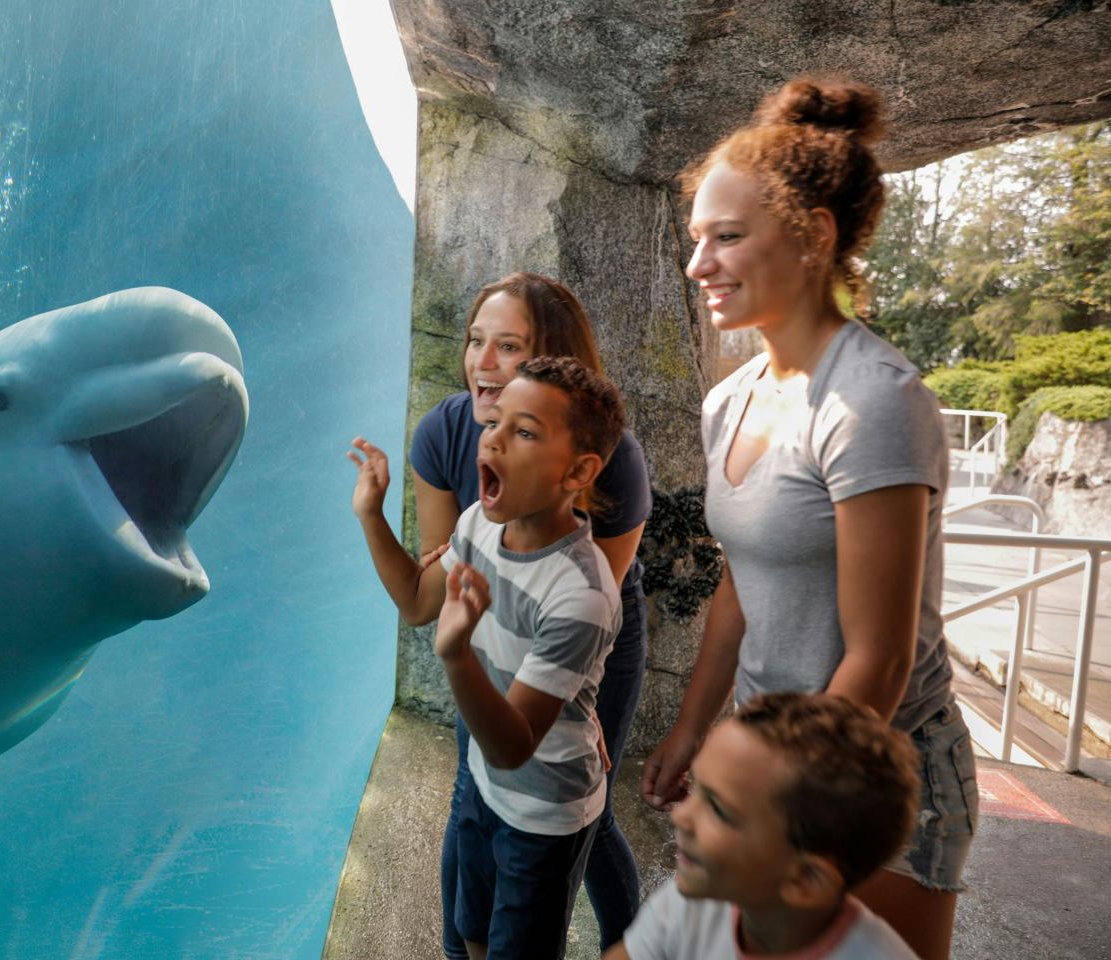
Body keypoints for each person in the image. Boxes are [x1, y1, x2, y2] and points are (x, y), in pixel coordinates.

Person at [641, 77, 976, 960]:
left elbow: (882, 656)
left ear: (813, 237)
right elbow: (741, 587)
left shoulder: (873, 402)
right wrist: (694, 728)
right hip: (765, 769)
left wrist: (775, 813)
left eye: (727, 238)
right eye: (695, 240)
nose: (697, 263)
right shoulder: (731, 399)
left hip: (875, 782)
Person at [349, 356, 628, 959]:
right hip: (483, 782)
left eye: (524, 432)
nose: (494, 438)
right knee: (471, 933)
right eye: (495, 421)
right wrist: (372, 517)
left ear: (578, 470)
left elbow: (516, 742)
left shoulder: (580, 593)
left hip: (544, 809)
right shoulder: (477, 522)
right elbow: (419, 601)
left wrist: (456, 658)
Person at [410, 272, 653, 958]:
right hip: (493, 616)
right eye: (474, 341)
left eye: (508, 346)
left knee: (577, 808)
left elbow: (590, 592)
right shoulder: (444, 433)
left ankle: (627, 944)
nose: (483, 363)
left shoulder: (615, 460)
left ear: (552, 362)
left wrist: (575, 702)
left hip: (581, 626)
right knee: (477, 798)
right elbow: (433, 593)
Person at [608, 693, 920, 960]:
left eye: (718, 808)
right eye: (697, 788)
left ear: (805, 879)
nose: (680, 817)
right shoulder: (689, 906)